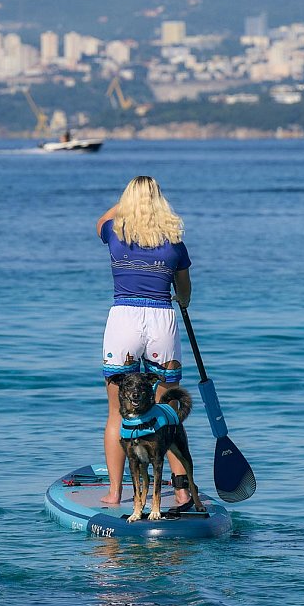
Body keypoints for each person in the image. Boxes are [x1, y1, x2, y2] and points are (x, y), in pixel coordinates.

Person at [97, 175, 193, 508]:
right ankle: (181, 491)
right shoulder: (174, 242)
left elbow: (102, 219)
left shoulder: (114, 233)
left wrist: (127, 203)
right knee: (167, 413)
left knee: (116, 414)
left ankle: (115, 492)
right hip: (160, 320)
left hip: (123, 319)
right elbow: (184, 294)